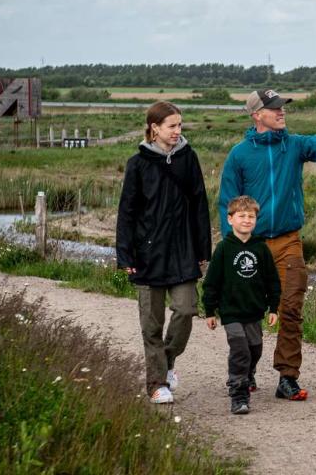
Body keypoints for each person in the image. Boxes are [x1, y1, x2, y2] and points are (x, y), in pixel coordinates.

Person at [218, 88, 316, 401]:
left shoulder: (293, 145)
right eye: (274, 108)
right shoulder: (239, 155)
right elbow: (228, 204)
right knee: (249, 313)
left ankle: (287, 377)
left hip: (289, 241)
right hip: (252, 245)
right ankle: (245, 370)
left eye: (282, 107)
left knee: (291, 308)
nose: (281, 112)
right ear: (256, 115)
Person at [116, 101, 211, 405]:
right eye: (172, 126)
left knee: (186, 310)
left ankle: (166, 362)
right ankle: (157, 384)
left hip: (183, 251)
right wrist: (126, 255)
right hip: (148, 254)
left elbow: (199, 204)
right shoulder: (138, 164)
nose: (177, 131)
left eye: (180, 125)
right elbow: (126, 212)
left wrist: (202, 249)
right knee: (152, 323)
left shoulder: (188, 158)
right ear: (155, 128)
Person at [203, 195, 281, 414]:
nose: (246, 220)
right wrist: (210, 311)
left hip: (254, 311)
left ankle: (247, 373)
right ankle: (239, 394)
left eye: (251, 216)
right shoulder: (224, 249)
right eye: (241, 216)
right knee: (240, 351)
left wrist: (273, 307)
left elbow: (272, 280)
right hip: (231, 312)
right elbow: (211, 283)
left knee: (255, 350)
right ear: (230, 219)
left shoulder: (261, 248)